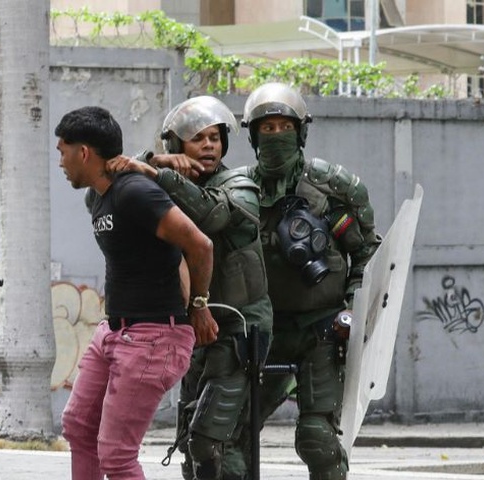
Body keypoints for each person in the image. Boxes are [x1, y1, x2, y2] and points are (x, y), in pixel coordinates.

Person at [105, 96, 273, 480]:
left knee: (211, 437)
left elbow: (213, 216)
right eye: (198, 138)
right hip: (194, 331)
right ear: (177, 146)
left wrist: (161, 174)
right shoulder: (166, 186)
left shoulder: (240, 184)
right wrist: (156, 161)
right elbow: (107, 188)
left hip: (240, 330)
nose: (210, 145)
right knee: (190, 436)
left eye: (215, 137)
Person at [229, 83, 382, 480]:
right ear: (252, 134)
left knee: (317, 437)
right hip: (261, 330)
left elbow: (368, 253)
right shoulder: (237, 191)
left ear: (301, 131)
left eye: (284, 126)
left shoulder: (331, 190)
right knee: (232, 435)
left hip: (321, 329)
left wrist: (351, 309)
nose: (276, 136)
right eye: (267, 128)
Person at [55, 105, 216, 480]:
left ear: (83, 153)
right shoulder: (99, 196)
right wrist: (154, 158)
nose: (60, 161)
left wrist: (200, 306)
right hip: (114, 331)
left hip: (153, 337)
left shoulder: (135, 192)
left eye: (63, 151)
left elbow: (200, 245)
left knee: (116, 456)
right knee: (79, 427)